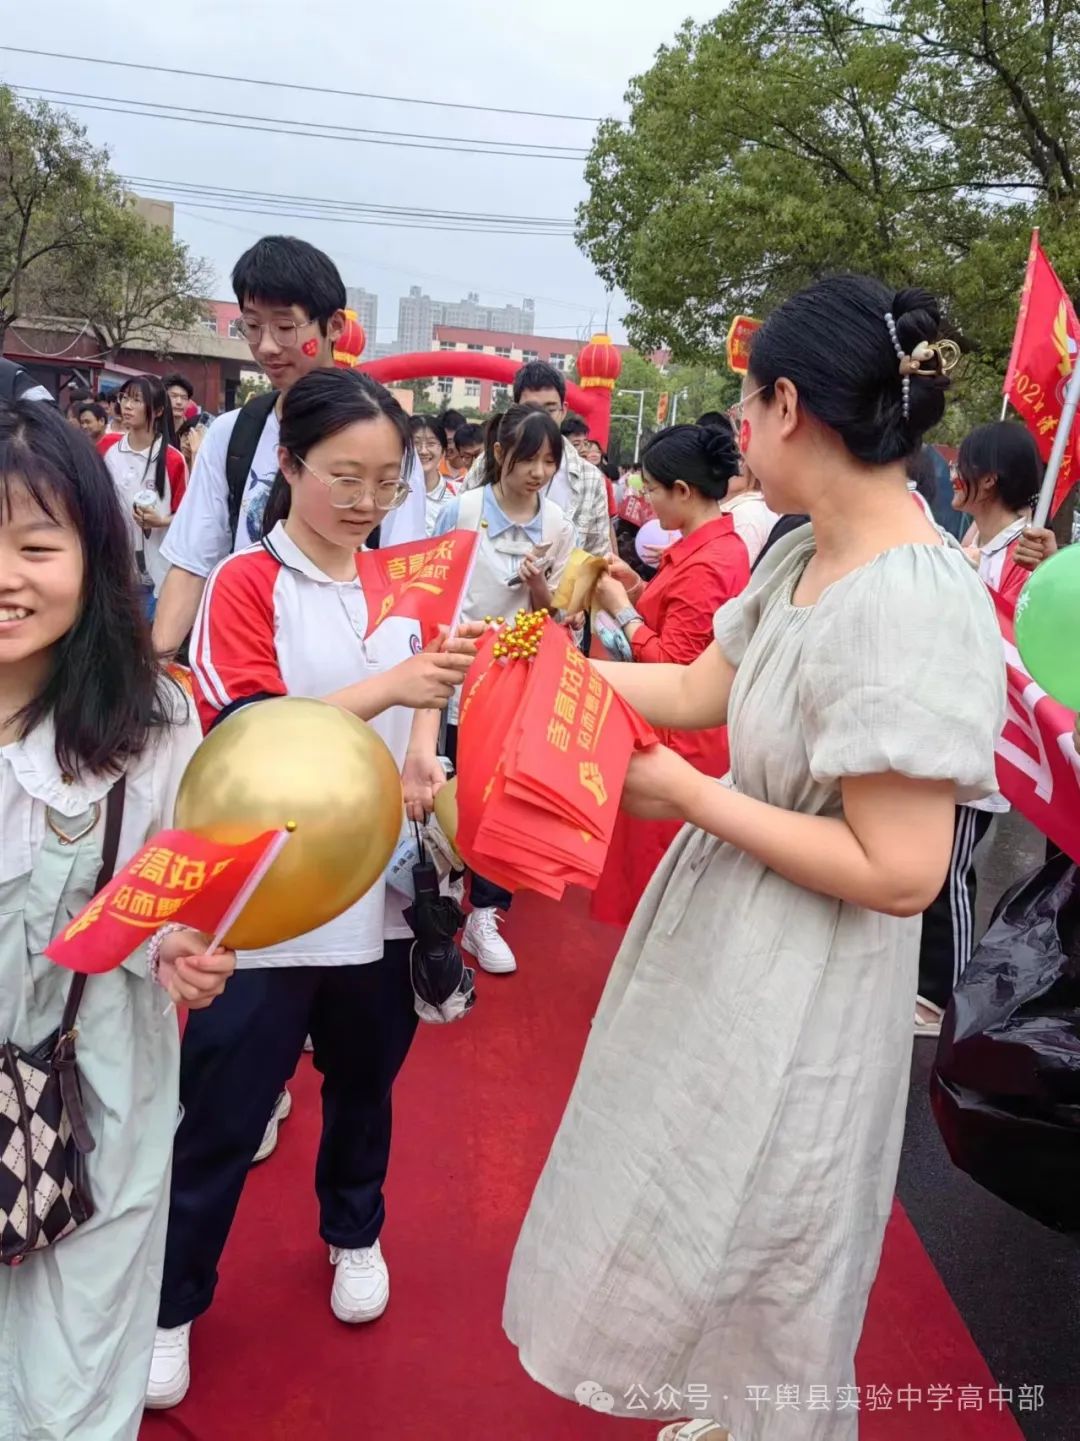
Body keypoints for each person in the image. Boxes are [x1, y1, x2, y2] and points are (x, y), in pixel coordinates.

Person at [502, 277, 1005, 1441]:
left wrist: (688, 795)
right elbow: (691, 687)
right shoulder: (799, 553)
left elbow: (901, 870)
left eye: (744, 397)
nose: (737, 420)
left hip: (812, 969)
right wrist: (534, 664)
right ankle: (721, 1407)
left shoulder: (908, 603)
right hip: (734, 936)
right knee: (696, 1182)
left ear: (791, 404)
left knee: (779, 1220)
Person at [147, 368, 477, 1410]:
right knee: (221, 1112)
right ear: (289, 465)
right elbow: (253, 730)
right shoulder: (248, 582)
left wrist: (424, 748)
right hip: (269, 901)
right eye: (345, 475)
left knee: (365, 1083)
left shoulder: (405, 575)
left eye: (387, 479)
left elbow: (433, 680)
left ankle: (355, 1232)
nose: (367, 500)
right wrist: (392, 691)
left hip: (378, 893)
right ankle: (169, 1302)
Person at [0, 398, 234, 1440]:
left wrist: (183, 943)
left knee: (81, 1356)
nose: (6, 578)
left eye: (35, 547)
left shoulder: (155, 721)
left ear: (95, 556)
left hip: (95, 1081)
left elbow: (176, 897)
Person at [152, 236, 426, 659]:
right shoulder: (231, 436)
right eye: (252, 326)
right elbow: (192, 565)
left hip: (344, 676)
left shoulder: (386, 443)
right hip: (243, 671)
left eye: (285, 327)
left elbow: (401, 585)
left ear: (334, 326)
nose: (265, 346)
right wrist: (155, 673)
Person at [915, 420, 1057, 1034]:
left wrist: (1047, 577)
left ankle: (946, 996)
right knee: (936, 867)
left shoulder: (1027, 556)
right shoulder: (981, 540)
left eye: (961, 465)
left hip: (986, 745)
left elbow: (1029, 652)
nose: (951, 474)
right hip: (954, 733)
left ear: (988, 479)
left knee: (950, 878)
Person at [588, 423, 751, 926]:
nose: (648, 500)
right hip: (685, 733)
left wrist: (623, 611)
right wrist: (638, 588)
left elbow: (674, 669)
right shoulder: (710, 547)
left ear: (683, 490)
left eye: (653, 489)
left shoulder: (707, 562)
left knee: (657, 891)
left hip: (679, 741)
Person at [433, 404, 576, 976]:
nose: (538, 472)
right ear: (498, 454)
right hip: (458, 671)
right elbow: (435, 586)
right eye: (528, 459)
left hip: (516, 675)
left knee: (504, 797)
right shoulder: (462, 511)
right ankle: (441, 893)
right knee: (453, 785)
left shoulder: (559, 525)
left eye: (549, 460)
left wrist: (540, 587)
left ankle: (487, 912)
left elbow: (556, 615)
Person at [462, 361, 610, 556]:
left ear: (563, 410)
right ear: (515, 410)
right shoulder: (486, 463)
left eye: (549, 410)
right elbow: (459, 536)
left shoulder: (588, 477)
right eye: (530, 409)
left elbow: (597, 555)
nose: (540, 419)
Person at [102, 376, 187, 619]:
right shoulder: (110, 451)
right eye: (125, 398)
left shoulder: (173, 460)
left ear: (158, 410)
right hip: (118, 573)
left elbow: (186, 515)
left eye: (137, 400)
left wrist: (161, 521)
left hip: (158, 577)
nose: (127, 405)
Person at [410, 413, 455, 535]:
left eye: (431, 443)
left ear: (443, 451)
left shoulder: (456, 498)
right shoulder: (391, 493)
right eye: (416, 443)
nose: (423, 451)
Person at [163, 372, 211, 473]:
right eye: (174, 396)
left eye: (184, 398)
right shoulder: (153, 429)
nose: (179, 402)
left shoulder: (193, 429)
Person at [439, 408, 468, 480]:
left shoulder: (474, 471)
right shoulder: (433, 469)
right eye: (442, 441)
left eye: (449, 441)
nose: (446, 447)